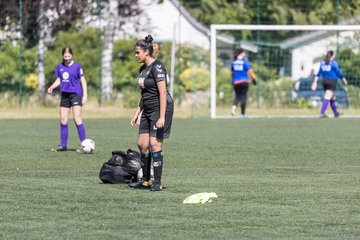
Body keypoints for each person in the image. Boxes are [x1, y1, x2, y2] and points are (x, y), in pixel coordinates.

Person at [128, 35, 174, 191]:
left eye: (137, 52)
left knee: (154, 144)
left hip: (160, 108)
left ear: (146, 52)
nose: (136, 55)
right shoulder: (143, 69)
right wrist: (136, 113)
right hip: (147, 109)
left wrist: (161, 117)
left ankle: (157, 182)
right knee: (142, 144)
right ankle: (146, 180)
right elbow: (144, 94)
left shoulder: (157, 67)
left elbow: (162, 93)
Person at [47, 47, 88, 151]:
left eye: (69, 56)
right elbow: (59, 79)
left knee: (77, 118)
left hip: (76, 94)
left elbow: (83, 81)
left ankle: (84, 145)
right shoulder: (59, 66)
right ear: (62, 56)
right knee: (63, 119)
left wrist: (85, 95)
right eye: (65, 56)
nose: (67, 58)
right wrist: (52, 86)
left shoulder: (77, 66)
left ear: (72, 55)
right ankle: (63, 145)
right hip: (65, 95)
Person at [311, 50, 348, 118]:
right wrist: (343, 79)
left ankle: (336, 113)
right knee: (328, 96)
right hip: (331, 81)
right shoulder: (333, 63)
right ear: (333, 55)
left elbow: (319, 73)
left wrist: (315, 82)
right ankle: (322, 113)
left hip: (324, 81)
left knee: (332, 97)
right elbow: (338, 72)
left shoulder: (322, 63)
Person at [230, 48, 257, 117]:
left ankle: (234, 107)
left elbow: (232, 73)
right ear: (241, 53)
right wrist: (254, 79)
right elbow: (250, 71)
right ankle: (242, 114)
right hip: (244, 81)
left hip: (236, 82)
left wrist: (232, 80)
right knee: (243, 97)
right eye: (244, 52)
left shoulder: (234, 62)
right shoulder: (244, 61)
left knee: (237, 97)